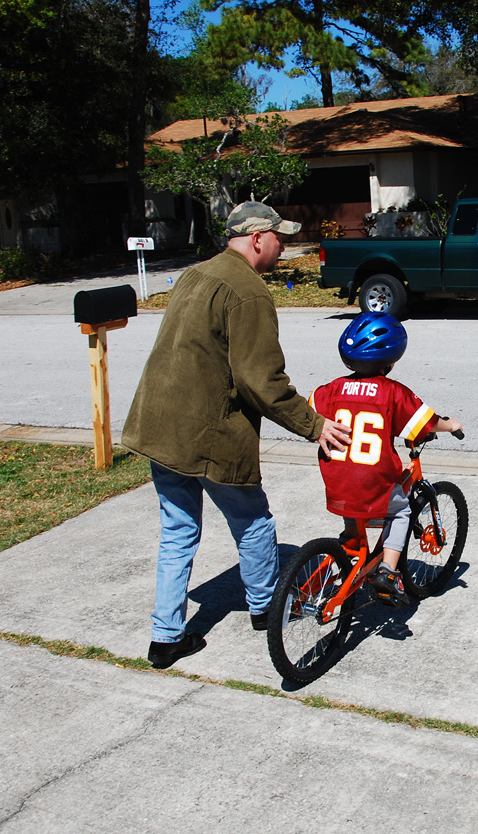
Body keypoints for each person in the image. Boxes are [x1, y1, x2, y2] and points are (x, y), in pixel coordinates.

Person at [122, 200, 350, 669]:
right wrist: (315, 426)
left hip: (159, 424)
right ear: (257, 239)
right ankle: (266, 608)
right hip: (209, 431)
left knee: (178, 532)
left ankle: (166, 638)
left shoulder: (196, 273)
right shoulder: (248, 291)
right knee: (253, 521)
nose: (283, 248)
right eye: (280, 239)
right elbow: (260, 381)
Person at [309, 312, 462, 607]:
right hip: (373, 479)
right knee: (400, 512)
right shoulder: (392, 393)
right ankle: (388, 572)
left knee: (354, 507)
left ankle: (352, 545)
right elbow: (426, 423)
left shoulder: (330, 389)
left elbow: (311, 406)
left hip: (337, 477)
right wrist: (450, 424)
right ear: (391, 360)